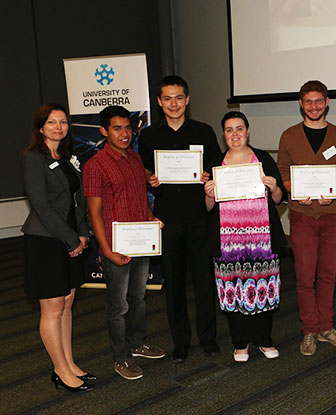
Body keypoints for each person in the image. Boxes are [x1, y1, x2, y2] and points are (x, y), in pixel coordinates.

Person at [138, 76, 222, 362]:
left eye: (178, 98)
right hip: (167, 218)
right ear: (160, 102)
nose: (173, 104)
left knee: (203, 280)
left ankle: (208, 338)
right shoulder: (149, 136)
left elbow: (216, 166)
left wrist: (210, 175)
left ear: (187, 99)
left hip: (200, 216)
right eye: (167, 98)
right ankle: (181, 342)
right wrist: (151, 179)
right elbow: (144, 173)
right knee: (172, 283)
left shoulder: (204, 131)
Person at [84, 106, 166, 380]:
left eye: (128, 128)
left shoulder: (134, 158)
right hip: (115, 246)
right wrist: (106, 250)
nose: (124, 134)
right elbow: (94, 212)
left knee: (139, 299)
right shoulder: (95, 165)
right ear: (104, 132)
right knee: (118, 305)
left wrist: (152, 218)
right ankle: (121, 357)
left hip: (141, 242)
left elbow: (141, 199)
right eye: (117, 128)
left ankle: (137, 343)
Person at [277, 80, 336, 356]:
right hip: (301, 215)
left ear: (327, 102)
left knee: (328, 275)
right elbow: (282, 173)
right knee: (304, 276)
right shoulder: (289, 136)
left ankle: (326, 326)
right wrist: (295, 190)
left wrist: (334, 192)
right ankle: (309, 329)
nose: (313, 106)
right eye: (308, 101)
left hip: (332, 215)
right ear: (301, 104)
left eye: (318, 101)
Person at [203, 111, 287, 362]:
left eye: (239, 128)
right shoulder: (215, 163)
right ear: (223, 134)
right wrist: (209, 193)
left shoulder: (263, 159)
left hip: (261, 237)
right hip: (228, 240)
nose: (235, 134)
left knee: (262, 287)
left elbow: (279, 199)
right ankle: (240, 343)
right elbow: (208, 207)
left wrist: (273, 187)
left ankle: (263, 340)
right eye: (229, 130)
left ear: (248, 131)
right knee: (232, 290)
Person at [21, 103, 94, 392]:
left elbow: (79, 200)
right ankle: (60, 370)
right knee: (52, 308)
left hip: (70, 238)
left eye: (63, 122)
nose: (58, 127)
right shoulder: (33, 158)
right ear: (41, 127)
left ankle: (69, 363)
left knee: (66, 304)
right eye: (51, 122)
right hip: (46, 241)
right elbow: (41, 205)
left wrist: (83, 233)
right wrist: (71, 238)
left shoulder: (67, 157)